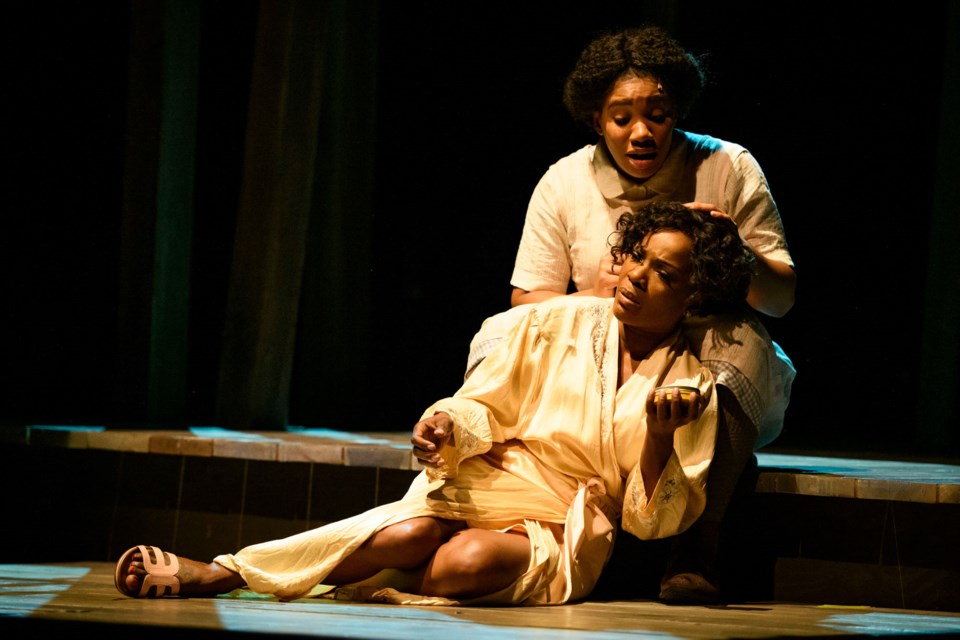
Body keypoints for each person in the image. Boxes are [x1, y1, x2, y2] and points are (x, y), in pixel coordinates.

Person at [116, 203, 757, 606]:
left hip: (564, 523)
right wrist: (446, 424)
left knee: (465, 564)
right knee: (412, 530)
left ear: (696, 298)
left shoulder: (689, 385)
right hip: (488, 480)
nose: (637, 276)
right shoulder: (556, 321)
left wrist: (656, 436)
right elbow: (484, 405)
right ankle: (227, 573)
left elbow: (648, 521)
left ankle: (366, 579)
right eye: (637, 258)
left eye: (665, 274)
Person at [466, 25, 796, 603]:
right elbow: (528, 300)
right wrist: (607, 300)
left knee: (742, 340)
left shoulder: (728, 166)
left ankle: (698, 542)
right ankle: (471, 482)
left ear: (678, 112)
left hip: (699, 341)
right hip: (608, 347)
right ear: (597, 119)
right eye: (622, 118)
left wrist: (737, 253)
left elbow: (781, 298)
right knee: (500, 330)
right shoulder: (564, 181)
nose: (641, 131)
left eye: (659, 114)